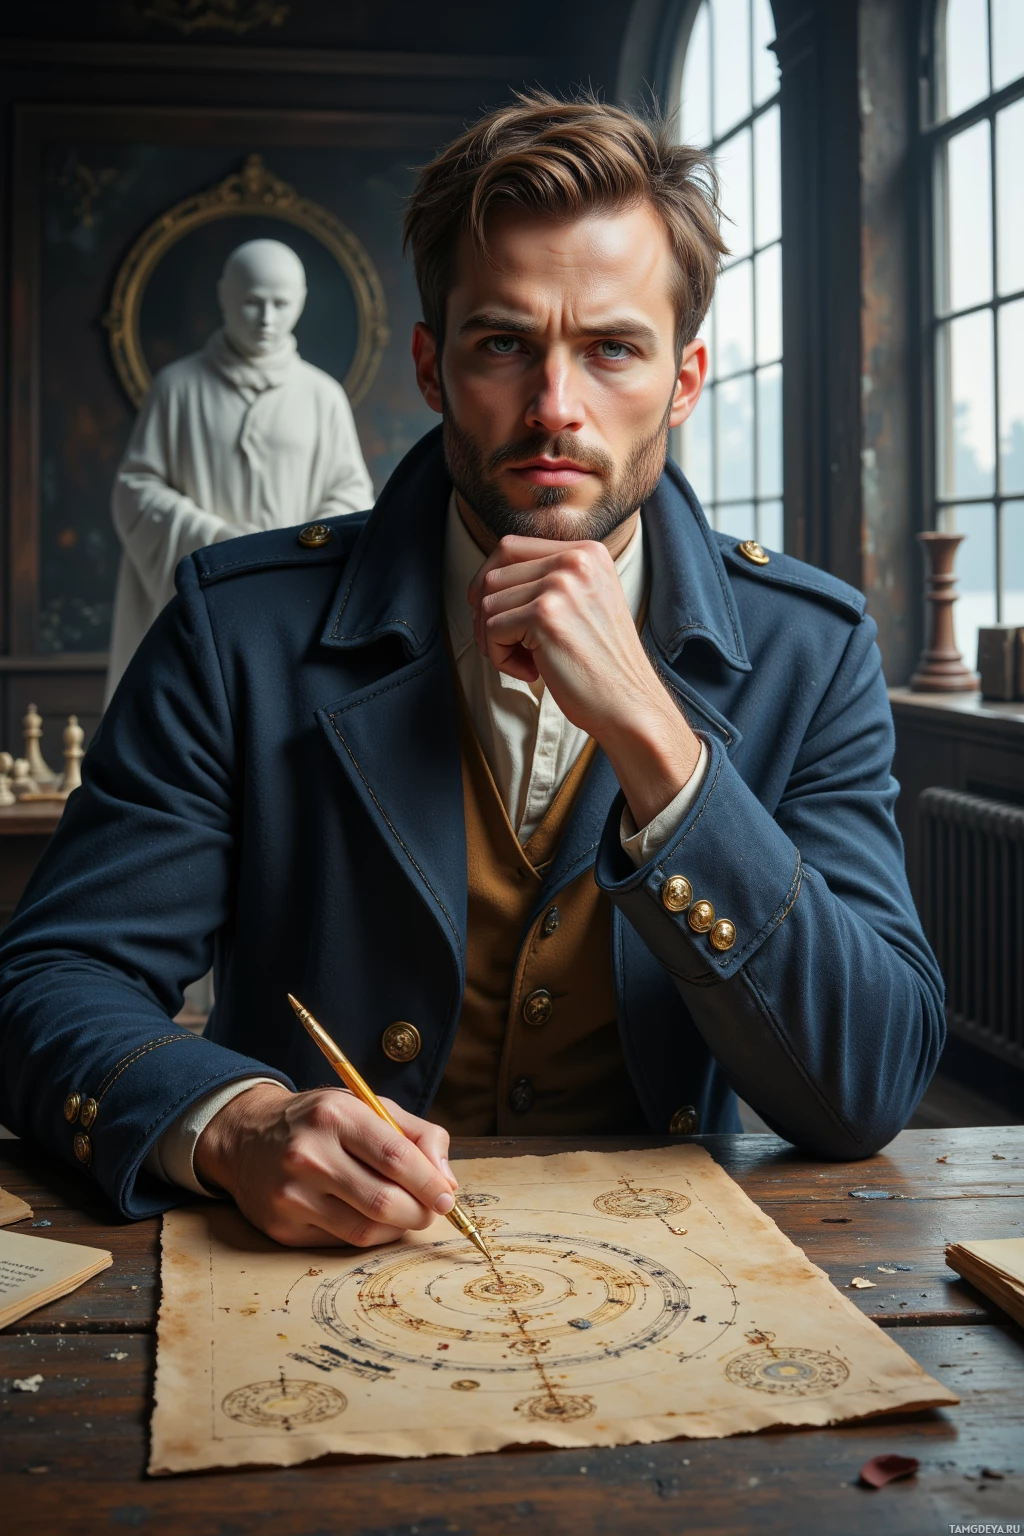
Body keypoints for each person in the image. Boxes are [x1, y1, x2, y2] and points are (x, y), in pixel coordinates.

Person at [0, 93, 944, 1252]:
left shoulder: (813, 646)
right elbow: (49, 981)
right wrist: (238, 1126)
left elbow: (867, 1087)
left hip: (691, 1291)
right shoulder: (232, 629)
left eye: (611, 349)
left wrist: (662, 744)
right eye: (503, 343)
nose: (556, 409)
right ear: (433, 366)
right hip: (295, 1289)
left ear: (684, 380)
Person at [105, 238, 374, 702]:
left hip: (291, 602)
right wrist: (213, 538)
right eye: (252, 302)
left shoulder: (321, 395)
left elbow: (350, 495)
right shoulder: (177, 389)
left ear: (301, 302)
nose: (267, 319)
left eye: (280, 303)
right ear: (224, 296)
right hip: (198, 600)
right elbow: (135, 491)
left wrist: (296, 545)